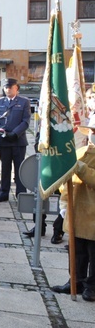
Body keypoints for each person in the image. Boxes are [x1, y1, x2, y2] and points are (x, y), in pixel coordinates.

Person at [50, 116, 95, 300]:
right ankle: (75, 281)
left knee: (94, 253)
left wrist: (82, 168)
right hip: (76, 210)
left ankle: (91, 286)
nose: (93, 134)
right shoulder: (81, 151)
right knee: (77, 252)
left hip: (93, 214)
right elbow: (68, 179)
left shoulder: (82, 158)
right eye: (92, 131)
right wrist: (63, 200)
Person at [0, 78, 31, 204]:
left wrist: (15, 133)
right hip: (4, 140)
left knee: (20, 168)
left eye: (11, 87)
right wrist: (2, 131)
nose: (8, 89)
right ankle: (3, 193)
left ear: (16, 88)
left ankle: (21, 194)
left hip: (18, 141)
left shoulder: (24, 102)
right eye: (6, 87)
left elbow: (26, 121)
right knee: (5, 168)